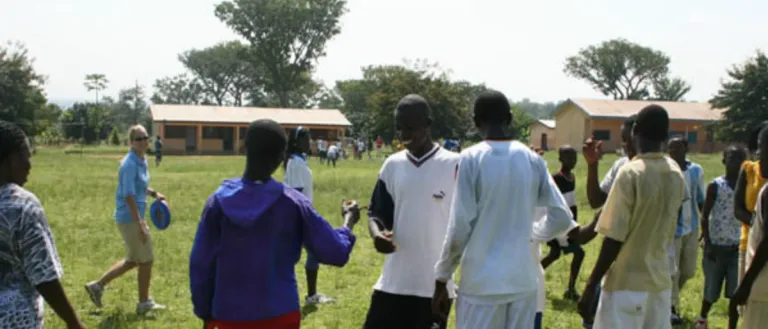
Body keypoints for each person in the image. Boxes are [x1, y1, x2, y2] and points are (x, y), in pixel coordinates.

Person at [189, 119, 359, 329]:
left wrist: (205, 311)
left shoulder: (217, 202)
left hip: (230, 314)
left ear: (245, 148)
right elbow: (335, 252)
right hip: (280, 312)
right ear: (281, 157)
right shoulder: (294, 203)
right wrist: (348, 221)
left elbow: (200, 263)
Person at [432, 90, 576, 329]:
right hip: (523, 282)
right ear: (509, 119)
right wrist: (534, 233)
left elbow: (460, 226)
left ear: (475, 121)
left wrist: (441, 278)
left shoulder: (470, 159)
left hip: (482, 285)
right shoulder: (533, 159)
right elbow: (562, 217)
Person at [577, 105, 685, 329]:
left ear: (635, 131)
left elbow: (614, 238)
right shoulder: (675, 172)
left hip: (627, 286)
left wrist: (591, 284)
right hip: (660, 284)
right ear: (666, 136)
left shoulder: (631, 172)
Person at [363, 94, 460, 329]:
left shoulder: (456, 165)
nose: (404, 134)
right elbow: (376, 214)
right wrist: (377, 235)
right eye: (399, 128)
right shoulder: (392, 165)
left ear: (428, 124)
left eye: (410, 127)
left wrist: (447, 283)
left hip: (434, 288)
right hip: (392, 284)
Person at [0, 120, 85, 329]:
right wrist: (73, 322)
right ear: (11, 160)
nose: (29, 165)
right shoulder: (20, 205)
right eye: (26, 156)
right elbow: (43, 274)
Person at [85, 124, 167, 314]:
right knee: (146, 259)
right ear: (131, 143)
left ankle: (97, 286)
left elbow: (139, 187)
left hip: (133, 216)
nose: (144, 141)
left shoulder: (142, 160)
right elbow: (129, 194)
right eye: (139, 139)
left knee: (133, 260)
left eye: (146, 137)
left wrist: (154, 193)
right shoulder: (128, 164)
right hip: (130, 217)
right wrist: (140, 223)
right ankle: (144, 302)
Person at [580, 114, 639, 329]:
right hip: (613, 261)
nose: (624, 145)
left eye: (627, 139)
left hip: (638, 264)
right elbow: (597, 200)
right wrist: (592, 165)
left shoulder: (657, 172)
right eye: (622, 140)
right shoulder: (621, 166)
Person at [694, 146, 747, 329]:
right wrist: (707, 243)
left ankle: (732, 325)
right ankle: (702, 318)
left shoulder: (746, 187)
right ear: (724, 160)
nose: (736, 162)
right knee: (711, 290)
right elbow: (705, 215)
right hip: (716, 246)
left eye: (740, 158)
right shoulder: (716, 186)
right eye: (732, 157)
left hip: (736, 247)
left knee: (734, 292)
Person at [283, 126, 333, 304]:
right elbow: (296, 193)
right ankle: (310, 295)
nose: (310, 142)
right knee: (310, 253)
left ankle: (310, 294)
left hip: (303, 213)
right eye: (306, 139)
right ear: (297, 142)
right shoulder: (295, 163)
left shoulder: (298, 160)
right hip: (300, 215)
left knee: (310, 253)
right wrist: (306, 217)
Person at [731, 121, 768, 329]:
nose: (759, 155)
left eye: (763, 148)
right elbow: (737, 208)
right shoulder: (748, 171)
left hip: (762, 280)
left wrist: (745, 285)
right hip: (749, 246)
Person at [668, 136, 706, 324]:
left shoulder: (695, 170)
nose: (673, 152)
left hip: (691, 227)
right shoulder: (667, 170)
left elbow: (701, 200)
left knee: (688, 270)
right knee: (672, 272)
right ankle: (672, 308)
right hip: (671, 230)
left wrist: (706, 227)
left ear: (686, 148)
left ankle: (669, 298)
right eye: (670, 148)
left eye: (677, 148)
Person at [541, 145, 585, 301]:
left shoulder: (571, 177)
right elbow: (551, 202)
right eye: (568, 157)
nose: (572, 161)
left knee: (555, 254)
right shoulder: (556, 178)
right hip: (558, 223)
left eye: (574, 157)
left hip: (567, 223)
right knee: (577, 253)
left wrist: (575, 221)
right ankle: (570, 290)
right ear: (560, 159)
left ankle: (569, 289)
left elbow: (571, 201)